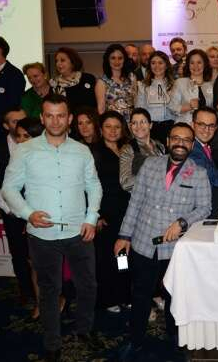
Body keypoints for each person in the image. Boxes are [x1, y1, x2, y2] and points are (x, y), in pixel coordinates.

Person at [2, 94, 102, 362]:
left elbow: (93, 186)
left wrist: (91, 218)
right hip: (42, 235)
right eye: (50, 115)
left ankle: (84, 330)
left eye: (61, 116)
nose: (55, 121)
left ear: (69, 118)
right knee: (48, 291)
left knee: (88, 286)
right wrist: (28, 214)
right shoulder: (25, 150)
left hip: (79, 232)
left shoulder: (81, 151)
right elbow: (9, 188)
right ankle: (52, 343)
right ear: (42, 118)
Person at [114, 123, 210, 361]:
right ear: (168, 141)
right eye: (176, 138)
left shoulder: (198, 173)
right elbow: (135, 202)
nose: (180, 143)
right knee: (140, 294)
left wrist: (182, 222)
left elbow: (204, 208)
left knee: (173, 296)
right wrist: (124, 236)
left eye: (186, 140)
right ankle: (135, 339)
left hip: (174, 247)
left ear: (191, 145)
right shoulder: (150, 164)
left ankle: (175, 339)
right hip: (143, 241)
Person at [0, 107, 39, 317]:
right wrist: (10, 209)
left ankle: (49, 295)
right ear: (6, 125)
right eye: (15, 122)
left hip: (38, 209)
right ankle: (28, 292)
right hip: (12, 212)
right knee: (20, 254)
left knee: (41, 255)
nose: (20, 125)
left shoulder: (38, 143)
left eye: (23, 120)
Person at [91, 111, 131, 314]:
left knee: (122, 256)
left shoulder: (127, 150)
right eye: (108, 126)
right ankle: (108, 298)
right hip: (105, 215)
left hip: (125, 213)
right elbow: (87, 186)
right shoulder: (94, 152)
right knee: (106, 258)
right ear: (101, 129)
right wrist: (96, 215)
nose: (113, 131)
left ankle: (123, 294)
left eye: (117, 127)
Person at [119, 108, 166, 192]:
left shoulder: (159, 145)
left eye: (143, 122)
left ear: (150, 125)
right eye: (134, 123)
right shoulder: (128, 149)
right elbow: (126, 183)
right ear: (130, 126)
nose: (139, 126)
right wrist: (151, 175)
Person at [135, 50, 175, 143]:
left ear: (166, 65)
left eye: (160, 63)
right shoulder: (143, 86)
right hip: (150, 128)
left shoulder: (175, 85)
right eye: (153, 63)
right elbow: (139, 109)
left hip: (170, 126)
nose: (157, 66)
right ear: (149, 66)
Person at [170, 48, 214, 124]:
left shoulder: (210, 85)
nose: (195, 66)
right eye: (192, 63)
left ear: (205, 64)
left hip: (206, 127)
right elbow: (172, 107)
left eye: (199, 62)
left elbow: (214, 109)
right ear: (188, 65)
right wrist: (189, 106)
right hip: (185, 126)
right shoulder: (180, 82)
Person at [95, 44, 136, 122]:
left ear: (124, 60)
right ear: (108, 60)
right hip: (113, 124)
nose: (117, 61)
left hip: (132, 123)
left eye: (120, 58)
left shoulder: (132, 77)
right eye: (113, 58)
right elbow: (101, 110)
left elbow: (136, 102)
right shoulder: (102, 82)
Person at [51, 47, 97, 112]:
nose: (58, 63)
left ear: (72, 62)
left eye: (62, 60)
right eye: (56, 61)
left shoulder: (88, 78)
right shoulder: (54, 84)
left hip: (89, 117)